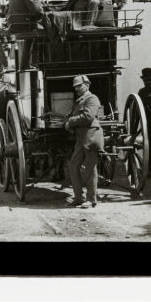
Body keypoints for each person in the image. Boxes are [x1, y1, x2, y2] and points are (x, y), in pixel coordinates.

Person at [64, 74, 104, 209]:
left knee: (90, 168)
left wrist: (70, 122)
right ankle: (78, 197)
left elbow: (88, 117)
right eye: (75, 87)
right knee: (73, 164)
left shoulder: (92, 98)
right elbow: (73, 116)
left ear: (87, 85)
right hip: (81, 138)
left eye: (80, 86)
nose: (77, 89)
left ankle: (91, 199)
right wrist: (68, 120)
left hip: (91, 136)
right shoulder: (79, 101)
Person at [7, 0, 45, 69]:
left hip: (16, 23)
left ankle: (25, 65)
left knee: (35, 31)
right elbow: (38, 12)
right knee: (46, 31)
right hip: (22, 24)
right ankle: (38, 63)